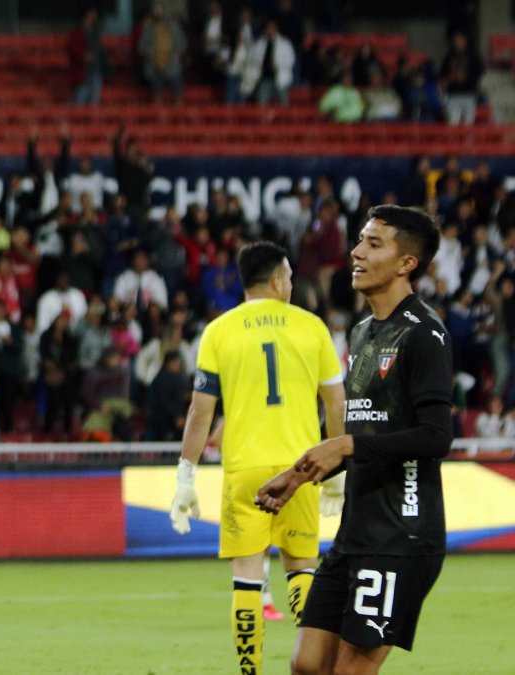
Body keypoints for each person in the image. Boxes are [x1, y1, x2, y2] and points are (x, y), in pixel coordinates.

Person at [257, 205, 452, 674]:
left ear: (407, 263)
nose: (357, 252)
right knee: (307, 665)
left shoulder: (425, 334)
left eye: (374, 243)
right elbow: (368, 431)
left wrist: (343, 446)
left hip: (401, 534)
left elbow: (435, 437)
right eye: (360, 240)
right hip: (355, 532)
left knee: (349, 671)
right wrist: (300, 474)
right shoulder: (363, 333)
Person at [170, 241, 346, 675]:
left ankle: (250, 672)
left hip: (245, 469)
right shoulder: (312, 327)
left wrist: (185, 475)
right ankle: (315, 666)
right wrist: (335, 472)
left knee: (248, 574)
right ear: (276, 280)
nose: (290, 282)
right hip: (301, 468)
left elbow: (201, 411)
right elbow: (337, 404)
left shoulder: (219, 331)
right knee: (303, 569)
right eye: (288, 275)